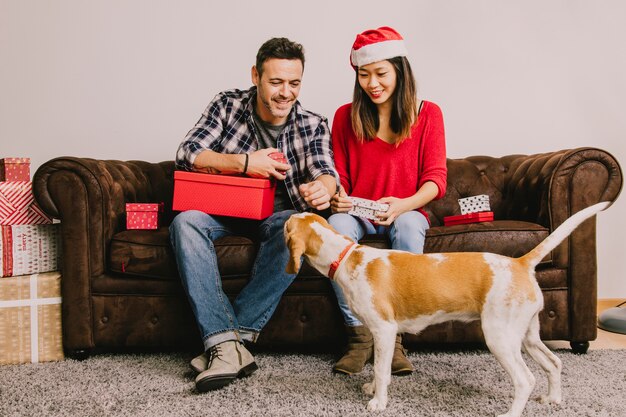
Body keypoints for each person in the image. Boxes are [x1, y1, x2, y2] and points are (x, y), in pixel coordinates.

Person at [170, 37, 338, 393]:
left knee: (297, 224)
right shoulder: (228, 105)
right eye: (276, 82)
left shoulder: (312, 122)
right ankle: (233, 345)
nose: (285, 92)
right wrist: (247, 163)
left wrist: (324, 187)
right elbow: (188, 152)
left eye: (294, 83)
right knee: (184, 222)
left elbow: (326, 169)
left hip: (275, 220)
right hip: (225, 211)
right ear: (256, 76)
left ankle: (224, 344)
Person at [329, 26, 447, 376]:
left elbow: (436, 180)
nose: (372, 83)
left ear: (400, 70)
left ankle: (394, 339)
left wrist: (404, 204)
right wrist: (339, 198)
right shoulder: (343, 116)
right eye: (364, 75)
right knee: (335, 227)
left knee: (409, 225)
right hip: (358, 211)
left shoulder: (429, 114)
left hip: (406, 208)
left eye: (381, 73)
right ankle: (360, 337)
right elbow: (340, 177)